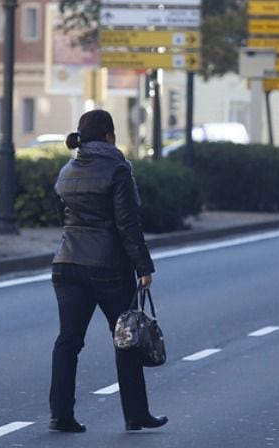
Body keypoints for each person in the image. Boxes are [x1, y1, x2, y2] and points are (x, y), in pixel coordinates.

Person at [48, 109, 167, 432]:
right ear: (109, 135)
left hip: (66, 264)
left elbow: (64, 219)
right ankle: (136, 414)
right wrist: (143, 267)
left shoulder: (66, 171)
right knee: (125, 337)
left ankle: (61, 414)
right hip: (107, 266)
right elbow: (127, 223)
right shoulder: (118, 169)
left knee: (68, 342)